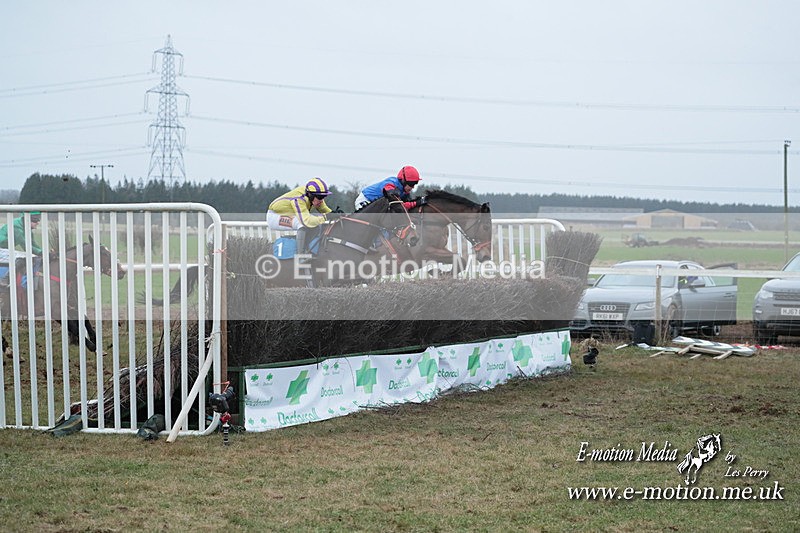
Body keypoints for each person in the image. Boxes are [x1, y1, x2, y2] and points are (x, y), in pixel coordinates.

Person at [266, 178, 337, 256]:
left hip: (287, 215)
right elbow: (306, 221)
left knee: (316, 224)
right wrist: (326, 217)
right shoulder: (298, 199)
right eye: (320, 197)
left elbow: (325, 210)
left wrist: (335, 213)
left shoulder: (314, 197)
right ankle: (300, 255)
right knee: (302, 224)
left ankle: (308, 249)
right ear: (311, 195)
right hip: (274, 216)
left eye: (324, 196)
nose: (322, 200)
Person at [355, 165, 426, 210]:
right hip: (365, 200)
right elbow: (399, 206)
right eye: (411, 184)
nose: (413, 187)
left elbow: (408, 206)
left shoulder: (403, 191)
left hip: (378, 204)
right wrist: (416, 203)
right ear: (403, 180)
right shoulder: (390, 185)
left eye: (415, 183)